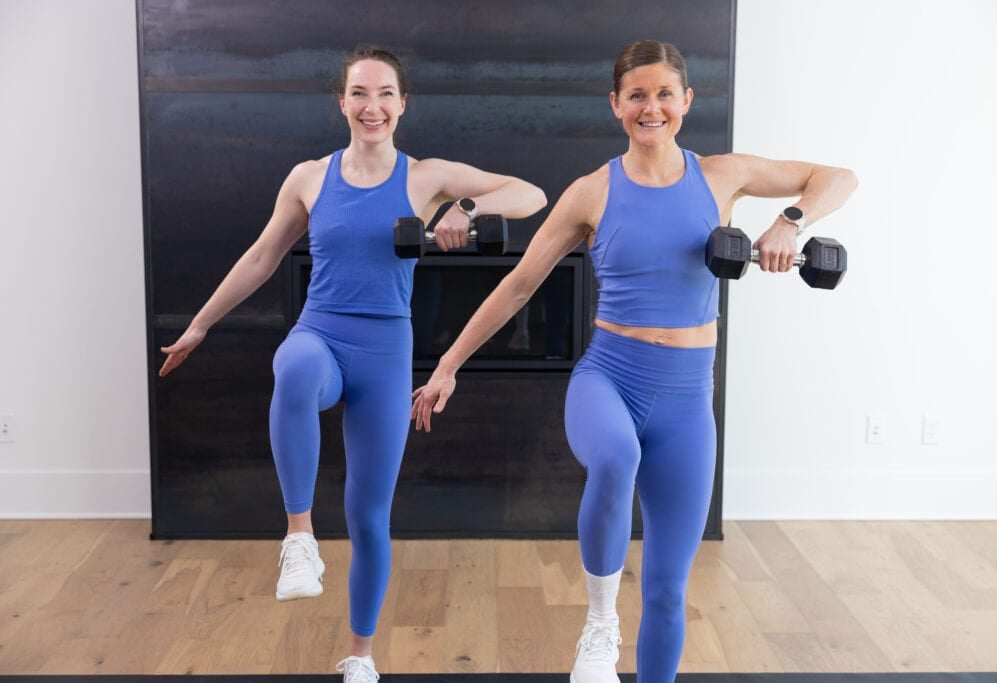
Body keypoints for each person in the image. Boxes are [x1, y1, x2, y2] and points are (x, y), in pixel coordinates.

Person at [411, 40, 857, 683]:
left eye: (665, 94)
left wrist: (790, 219)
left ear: (686, 102)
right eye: (638, 95)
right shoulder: (591, 192)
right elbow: (518, 286)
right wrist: (448, 364)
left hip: (686, 398)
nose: (653, 108)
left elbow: (839, 177)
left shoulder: (723, 176)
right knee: (615, 459)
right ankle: (598, 625)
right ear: (617, 105)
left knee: (670, 591)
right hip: (610, 378)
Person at [157, 46, 547, 682]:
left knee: (370, 516)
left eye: (385, 93)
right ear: (342, 103)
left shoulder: (426, 177)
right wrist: (200, 323)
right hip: (324, 333)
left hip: (385, 354)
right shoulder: (310, 177)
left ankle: (361, 658)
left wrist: (468, 207)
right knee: (294, 367)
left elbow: (530, 193)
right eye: (360, 93)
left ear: (402, 103)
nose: (373, 106)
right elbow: (261, 257)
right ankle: (300, 540)